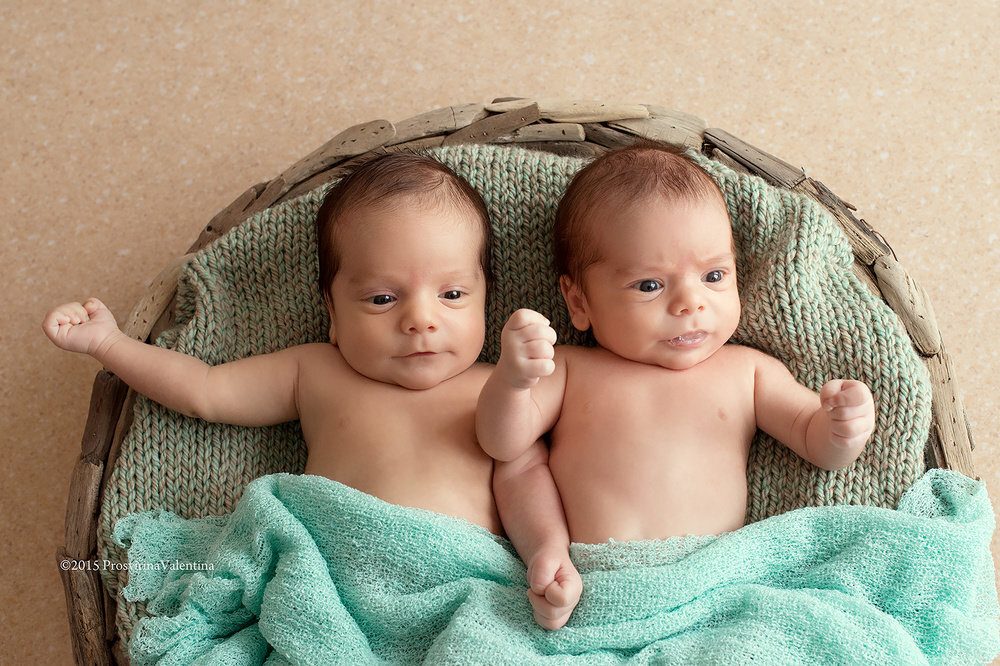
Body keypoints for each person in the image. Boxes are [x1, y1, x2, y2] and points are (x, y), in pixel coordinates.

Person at [477, 142, 876, 628]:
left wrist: (841, 426)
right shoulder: (568, 369)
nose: (690, 302)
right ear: (578, 302)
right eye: (650, 285)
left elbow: (816, 445)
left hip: (715, 586)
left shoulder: (748, 371)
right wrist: (514, 381)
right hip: (593, 586)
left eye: (713, 275)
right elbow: (503, 444)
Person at [43, 152, 503, 535]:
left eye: (452, 295)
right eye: (383, 299)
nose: (421, 320)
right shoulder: (317, 371)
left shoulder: (503, 388)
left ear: (486, 298)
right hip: (333, 580)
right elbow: (204, 391)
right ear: (333, 314)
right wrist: (107, 342)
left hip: (465, 581)